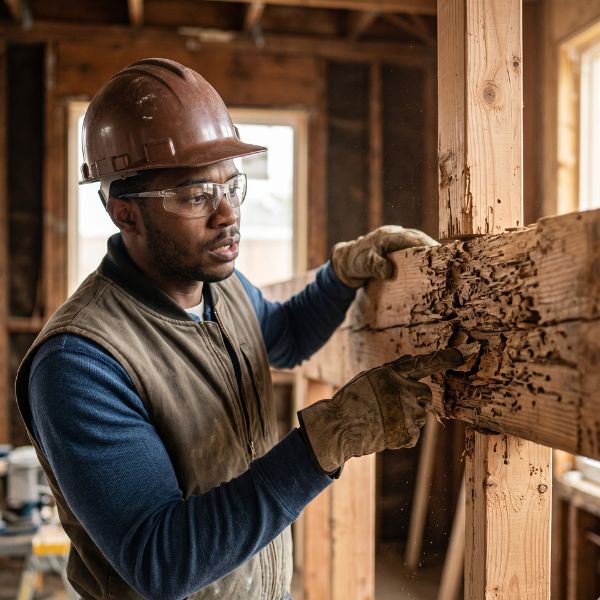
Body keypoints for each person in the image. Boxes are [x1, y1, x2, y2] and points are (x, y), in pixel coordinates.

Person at [15, 58, 463, 600]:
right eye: (195, 195)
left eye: (232, 186)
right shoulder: (79, 363)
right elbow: (163, 562)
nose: (227, 214)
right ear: (122, 212)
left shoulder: (216, 284)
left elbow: (285, 336)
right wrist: (329, 439)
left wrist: (341, 274)